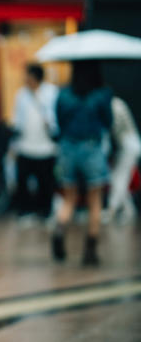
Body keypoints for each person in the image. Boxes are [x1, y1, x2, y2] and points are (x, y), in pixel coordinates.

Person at [51, 60, 113, 266]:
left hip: (67, 147)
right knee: (94, 199)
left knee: (69, 197)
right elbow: (108, 122)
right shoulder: (102, 94)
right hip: (92, 147)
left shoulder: (64, 94)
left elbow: (59, 121)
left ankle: (59, 232)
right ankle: (90, 251)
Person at [11, 63, 59, 223]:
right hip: (25, 146)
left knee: (45, 182)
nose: (26, 79)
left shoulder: (51, 92)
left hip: (46, 147)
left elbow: (55, 116)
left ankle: (45, 212)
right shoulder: (21, 95)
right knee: (23, 181)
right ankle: (25, 211)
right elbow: (17, 119)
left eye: (29, 76)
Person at [104, 96, 141, 224]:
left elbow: (114, 126)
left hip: (129, 146)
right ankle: (129, 210)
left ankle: (111, 210)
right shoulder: (114, 103)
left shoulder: (114, 105)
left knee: (120, 179)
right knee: (119, 178)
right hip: (126, 146)